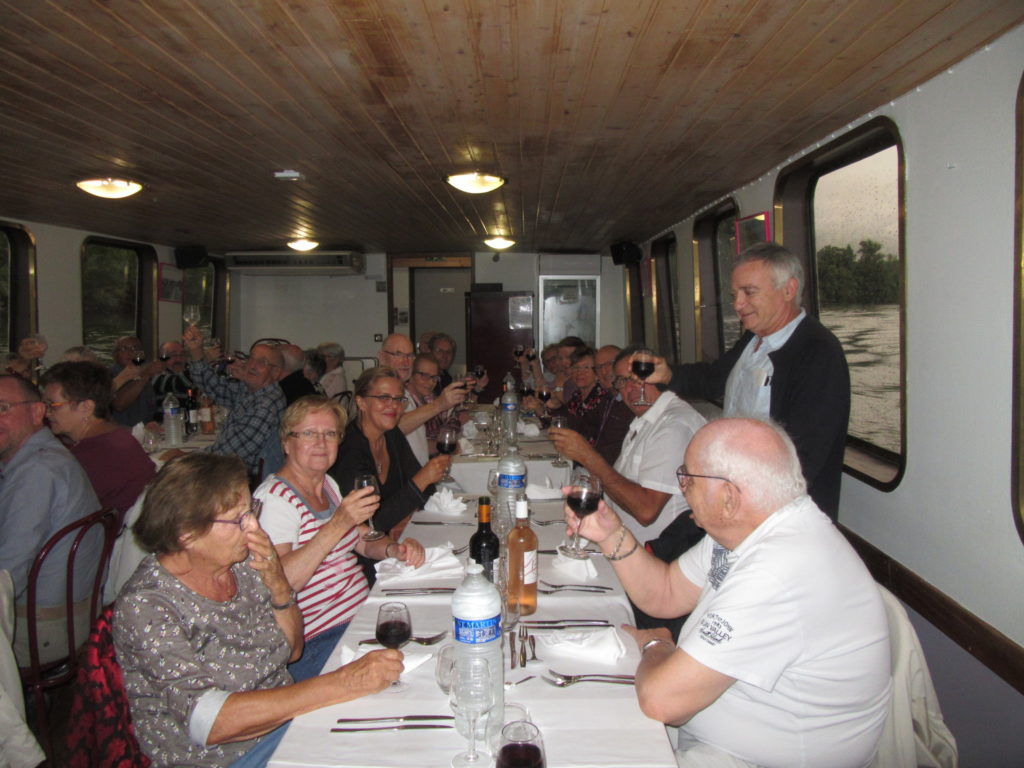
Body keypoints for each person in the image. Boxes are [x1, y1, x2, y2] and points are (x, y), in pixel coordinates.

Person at [566, 418, 890, 768]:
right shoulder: (750, 530)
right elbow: (665, 593)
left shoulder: (781, 569)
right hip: (712, 736)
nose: (683, 486)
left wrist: (656, 644)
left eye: (688, 476)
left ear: (729, 498)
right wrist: (611, 533)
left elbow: (663, 702)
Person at [115, 453, 402, 768]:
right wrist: (343, 682)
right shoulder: (148, 604)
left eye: (251, 509)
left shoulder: (241, 565)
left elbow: (292, 652)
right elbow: (210, 722)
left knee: (394, 724)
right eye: (239, 519)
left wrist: (279, 586)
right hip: (224, 758)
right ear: (187, 533)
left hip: (284, 725)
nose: (254, 526)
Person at [649, 242, 850, 519]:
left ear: (789, 289)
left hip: (777, 512)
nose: (737, 304)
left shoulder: (817, 352)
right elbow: (715, 378)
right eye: (734, 294)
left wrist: (745, 511)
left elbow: (803, 458)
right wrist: (669, 374)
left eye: (749, 292)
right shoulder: (754, 339)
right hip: (736, 496)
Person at [255, 396, 425, 681]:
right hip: (318, 641)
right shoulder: (274, 499)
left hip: (358, 617)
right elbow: (281, 583)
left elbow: (361, 540)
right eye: (309, 433)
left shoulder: (327, 484)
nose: (321, 443)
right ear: (286, 442)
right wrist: (339, 522)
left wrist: (394, 549)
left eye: (330, 434)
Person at [550, 345, 705, 543]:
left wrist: (587, 457)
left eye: (637, 378)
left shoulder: (673, 426)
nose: (630, 388)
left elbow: (646, 511)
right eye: (623, 381)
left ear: (657, 376)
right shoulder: (642, 421)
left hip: (651, 555)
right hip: (615, 540)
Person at [0, 374, 101, 666]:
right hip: (64, 611)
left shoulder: (38, 471)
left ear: (37, 412)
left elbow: (7, 576)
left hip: (43, 626)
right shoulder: (34, 459)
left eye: (3, 408)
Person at [329, 367, 451, 540]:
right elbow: (371, 523)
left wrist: (406, 514)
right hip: (359, 550)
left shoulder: (391, 435)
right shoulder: (348, 451)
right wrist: (422, 480)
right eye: (384, 397)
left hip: (397, 539)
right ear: (361, 402)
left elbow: (427, 490)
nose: (394, 405)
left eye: (399, 399)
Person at [39, 361, 155, 521]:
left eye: (53, 405)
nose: (46, 413)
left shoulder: (93, 453)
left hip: (112, 541)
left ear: (86, 408)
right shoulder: (116, 436)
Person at [164, 327, 286, 476]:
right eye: (251, 358)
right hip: (229, 471)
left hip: (240, 481)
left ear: (276, 372)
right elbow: (214, 387)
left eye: (262, 362)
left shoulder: (267, 404)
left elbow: (228, 453)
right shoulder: (252, 391)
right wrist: (196, 351)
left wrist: (184, 457)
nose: (252, 365)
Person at [534, 346, 631, 465]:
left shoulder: (604, 397)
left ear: (596, 374)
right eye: (576, 368)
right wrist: (552, 407)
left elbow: (580, 430)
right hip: (584, 460)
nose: (579, 372)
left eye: (585, 368)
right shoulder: (577, 396)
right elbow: (561, 423)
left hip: (592, 463)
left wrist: (555, 409)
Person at [381, 333, 467, 465]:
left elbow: (418, 441)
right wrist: (439, 404)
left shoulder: (404, 394)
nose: (405, 361)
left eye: (409, 356)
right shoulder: (376, 391)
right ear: (382, 357)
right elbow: (393, 429)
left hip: (421, 472)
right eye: (398, 354)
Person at [109, 336, 163, 427]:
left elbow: (151, 409)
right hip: (121, 435)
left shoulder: (145, 373)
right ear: (115, 355)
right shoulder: (108, 375)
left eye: (136, 348)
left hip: (146, 434)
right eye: (124, 349)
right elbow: (119, 405)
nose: (131, 352)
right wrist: (145, 376)